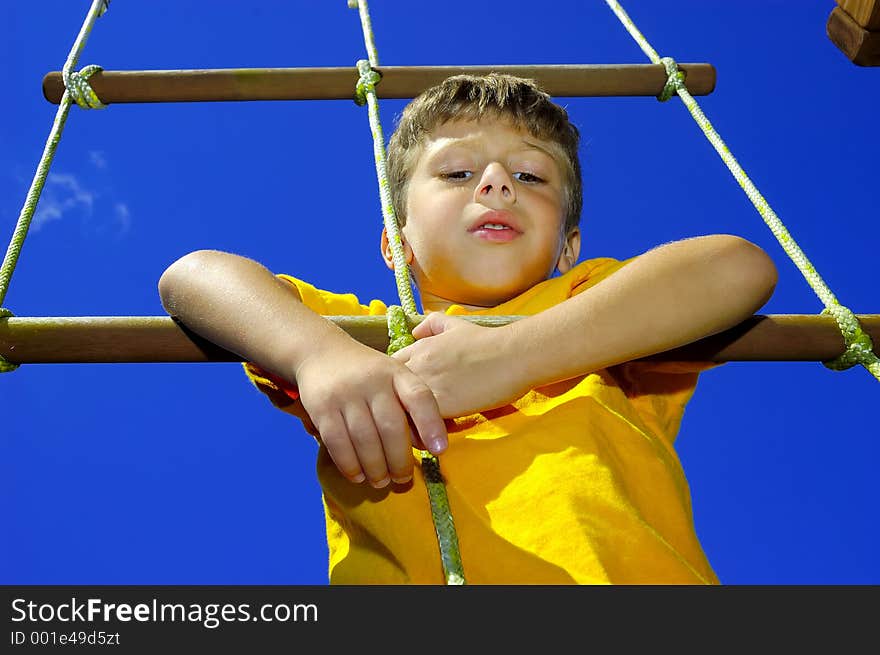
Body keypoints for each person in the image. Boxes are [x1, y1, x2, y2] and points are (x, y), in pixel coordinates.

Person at [157, 73, 778, 584]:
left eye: (531, 177)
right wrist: (318, 355)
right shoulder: (364, 340)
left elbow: (737, 265)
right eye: (456, 173)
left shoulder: (595, 311)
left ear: (569, 246)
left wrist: (512, 355)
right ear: (397, 246)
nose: (497, 183)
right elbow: (193, 275)